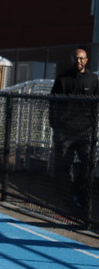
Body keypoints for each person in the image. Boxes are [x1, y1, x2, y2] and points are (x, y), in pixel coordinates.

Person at [49, 47, 99, 210]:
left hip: (85, 130)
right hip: (64, 131)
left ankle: (80, 195)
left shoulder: (93, 80)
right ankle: (65, 198)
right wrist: (55, 125)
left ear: (86, 60)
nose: (79, 61)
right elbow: (53, 103)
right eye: (76, 58)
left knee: (89, 163)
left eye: (82, 58)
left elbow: (96, 105)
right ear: (72, 59)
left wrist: (93, 126)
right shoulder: (62, 80)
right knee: (63, 165)